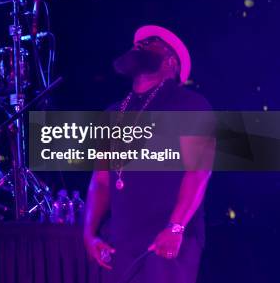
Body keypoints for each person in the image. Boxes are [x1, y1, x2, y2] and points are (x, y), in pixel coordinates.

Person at [83, 25, 216, 283]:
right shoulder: (113, 113)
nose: (140, 44)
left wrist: (175, 227)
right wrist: (90, 234)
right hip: (119, 240)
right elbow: (100, 181)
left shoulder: (189, 104)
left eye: (151, 42)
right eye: (138, 42)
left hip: (166, 238)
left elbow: (199, 171)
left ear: (171, 62)